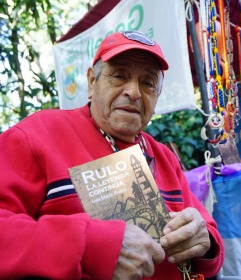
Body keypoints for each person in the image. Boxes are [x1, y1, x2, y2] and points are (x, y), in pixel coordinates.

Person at [0, 30, 224, 279]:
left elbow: (210, 244)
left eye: (147, 83)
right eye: (119, 76)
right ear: (91, 82)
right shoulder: (37, 134)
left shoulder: (163, 155)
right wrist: (91, 246)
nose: (134, 92)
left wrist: (205, 242)